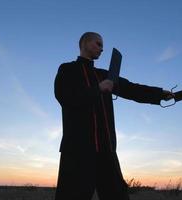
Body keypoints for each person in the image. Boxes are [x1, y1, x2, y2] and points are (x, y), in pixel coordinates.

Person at [54, 32, 174, 200]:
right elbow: (65, 96)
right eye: (98, 44)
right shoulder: (67, 69)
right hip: (77, 150)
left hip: (106, 151)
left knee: (117, 195)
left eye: (102, 46)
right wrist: (98, 89)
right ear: (85, 43)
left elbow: (132, 89)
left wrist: (160, 94)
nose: (102, 49)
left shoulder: (105, 75)